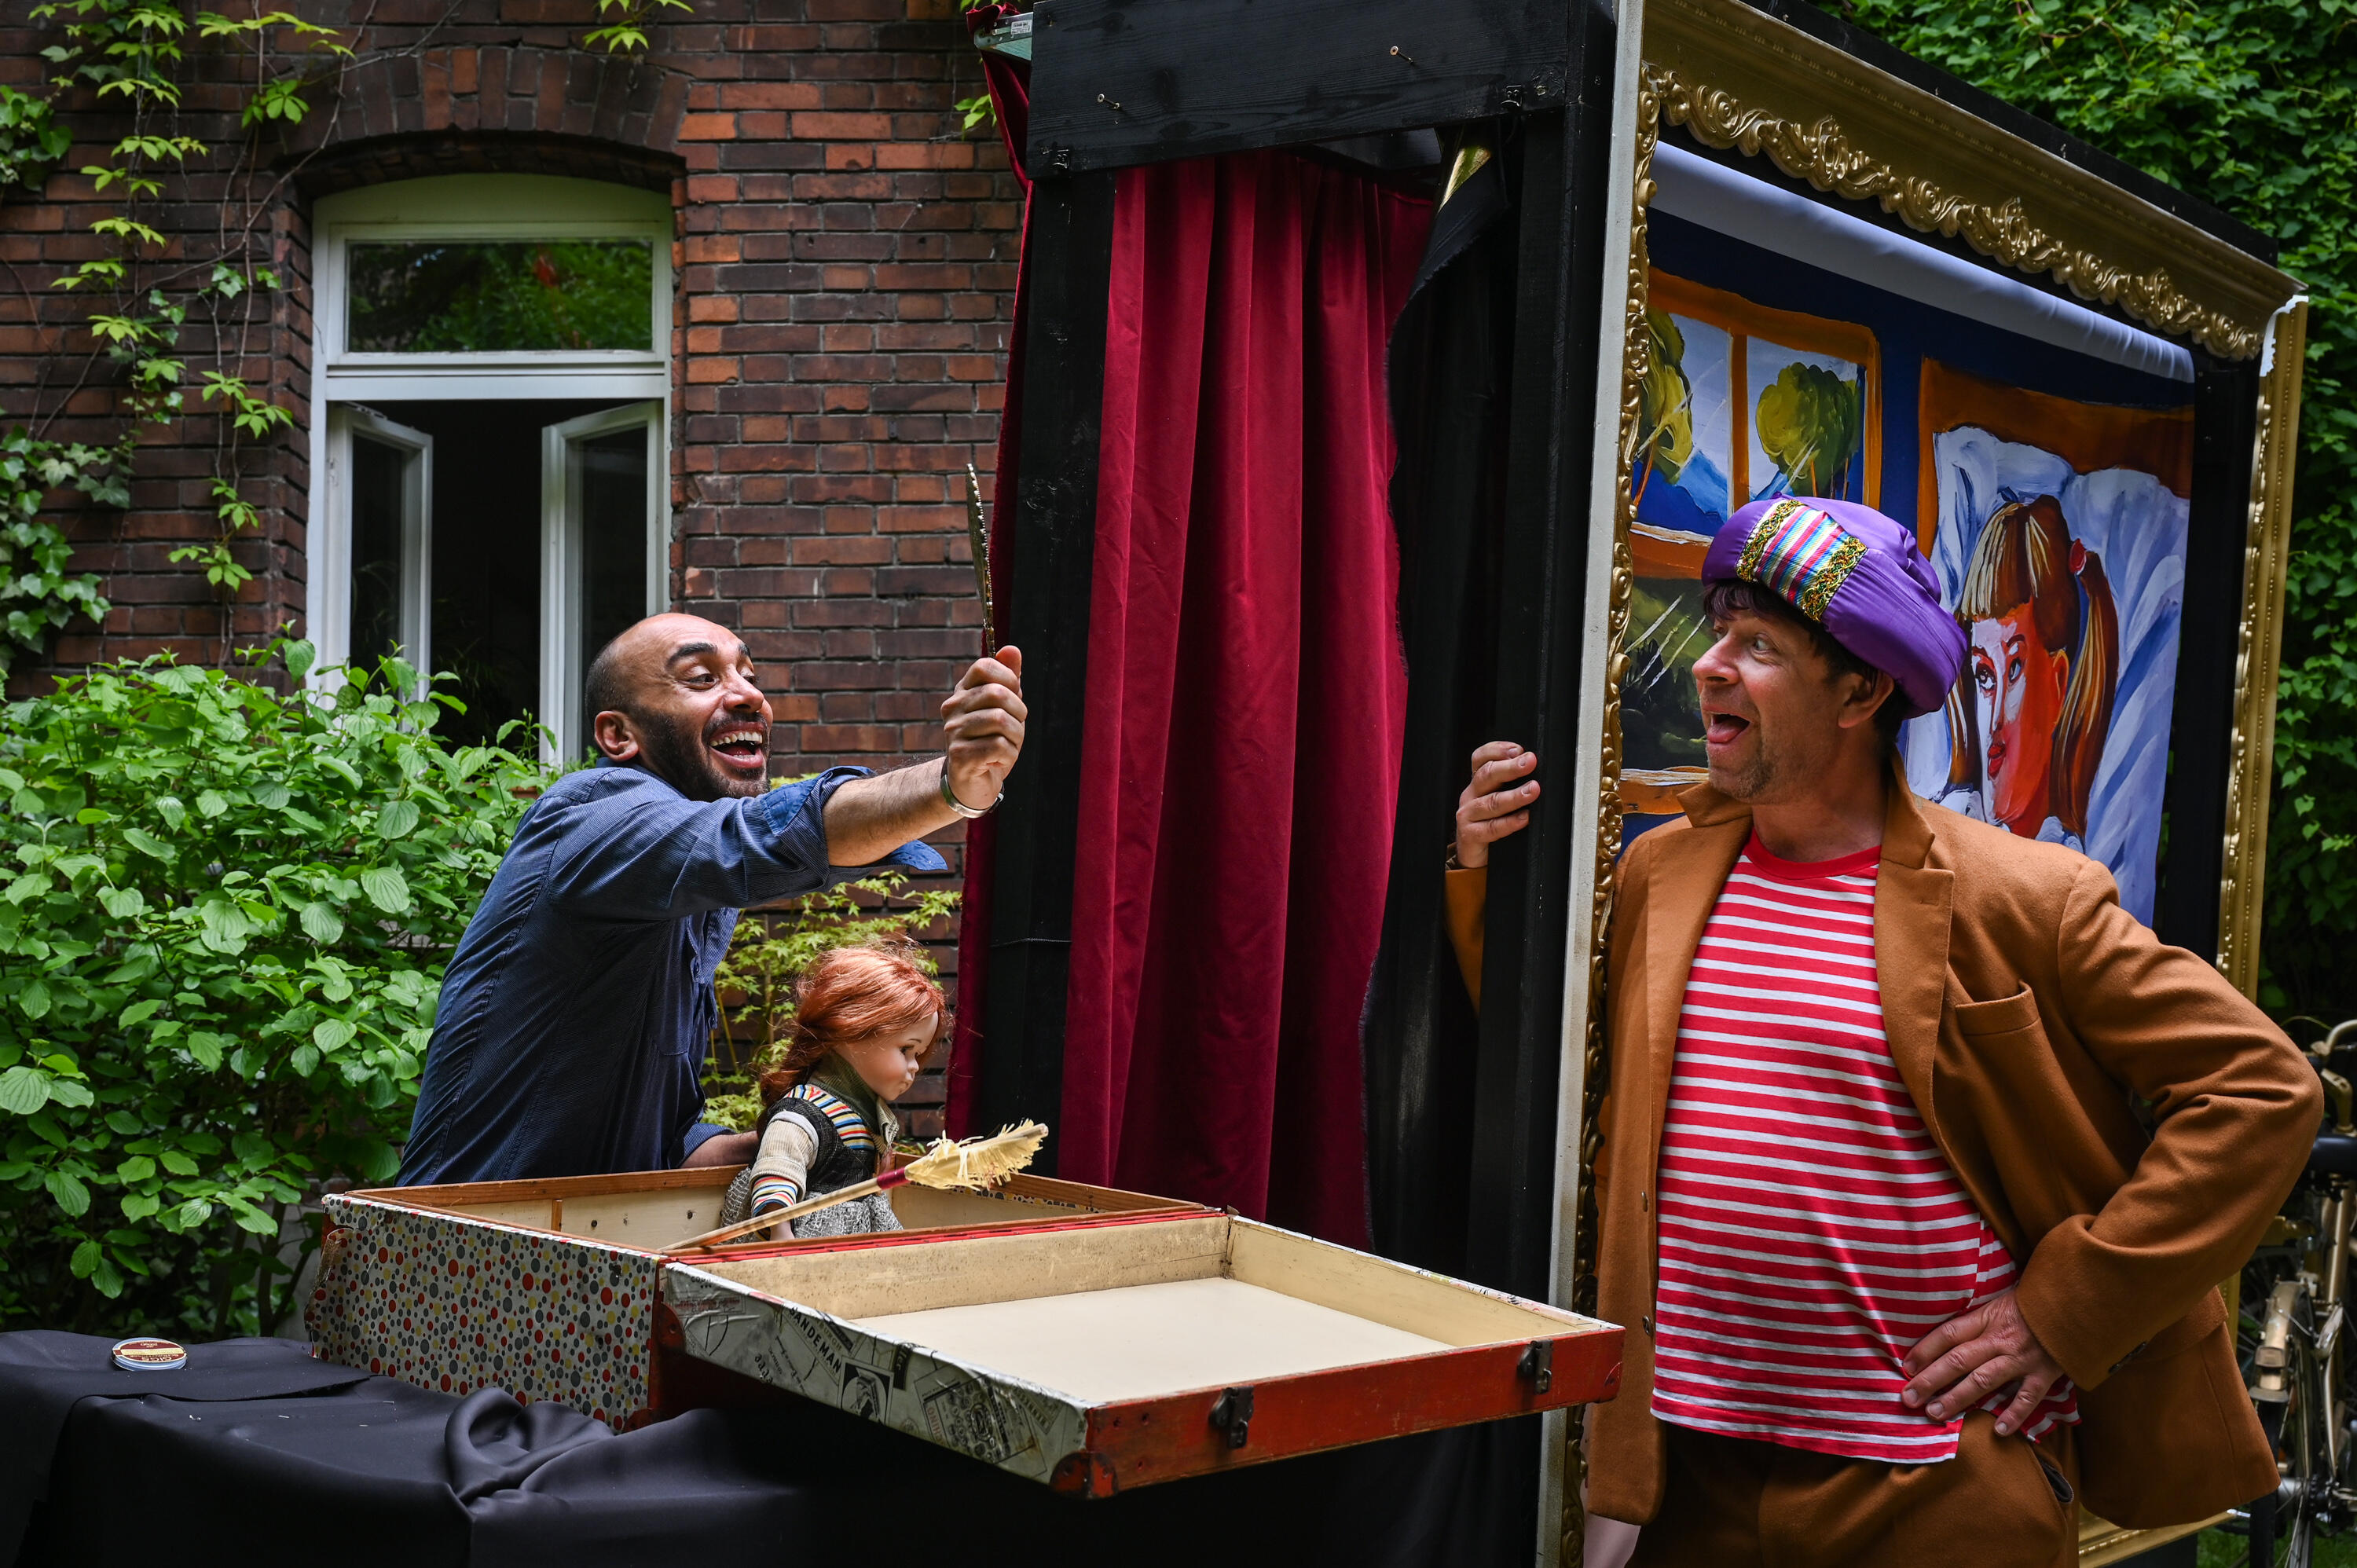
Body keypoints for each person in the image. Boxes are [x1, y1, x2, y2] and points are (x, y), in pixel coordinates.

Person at [1447, 495, 2317, 1566]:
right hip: (1696, 1474)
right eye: (1719, 632)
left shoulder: (2024, 898)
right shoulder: (1662, 873)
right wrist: (1486, 879)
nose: (1712, 665)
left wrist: (2065, 1311)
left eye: (1757, 645)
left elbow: (2264, 1093)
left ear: (1860, 689)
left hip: (1934, 1490)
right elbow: (1578, 1076)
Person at [395, 614, 1023, 1185]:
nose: (749, 695)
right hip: (456, 1251)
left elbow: (666, 1145)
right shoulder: (591, 819)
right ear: (619, 735)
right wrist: (952, 784)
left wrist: (793, 1139)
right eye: (701, 678)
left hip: (577, 1256)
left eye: (749, 676)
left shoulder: (691, 891)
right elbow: (755, 837)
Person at [717, 941, 946, 1240]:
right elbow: (779, 1167)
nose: (914, 1067)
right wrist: (780, 1232)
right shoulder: (802, 1113)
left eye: (918, 1055)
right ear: (851, 1032)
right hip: (809, 1236)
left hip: (851, 1233)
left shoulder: (866, 1116)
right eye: (906, 1050)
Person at [1935, 492, 2118, 851]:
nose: (1994, 724)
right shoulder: (1942, 836)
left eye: (2015, 668)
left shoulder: (2068, 873)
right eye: (1985, 677)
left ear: (2059, 681)